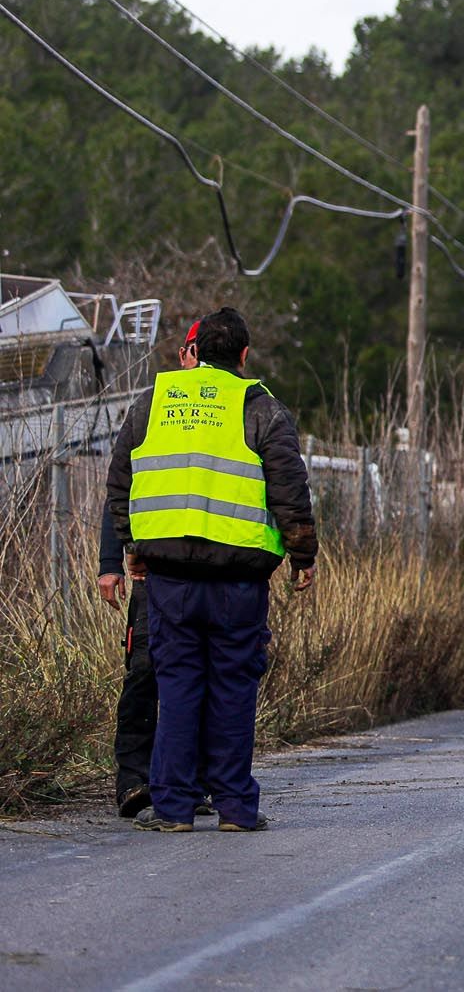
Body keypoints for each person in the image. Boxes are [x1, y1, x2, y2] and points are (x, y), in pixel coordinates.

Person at [103, 307, 317, 832]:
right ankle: (236, 809)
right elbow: (290, 491)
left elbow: (120, 481)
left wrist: (131, 549)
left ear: (194, 353)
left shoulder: (153, 402)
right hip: (238, 582)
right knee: (233, 692)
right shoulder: (261, 409)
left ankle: (173, 809)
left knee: (175, 690)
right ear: (244, 356)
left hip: (169, 581)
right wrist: (303, 555)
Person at [94, 323, 209, 818]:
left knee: (201, 677)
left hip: (208, 571)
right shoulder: (153, 407)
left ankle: (191, 782)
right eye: (194, 353)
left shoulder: (235, 412)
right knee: (144, 673)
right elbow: (121, 485)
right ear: (183, 354)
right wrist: (109, 564)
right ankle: (133, 781)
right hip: (151, 573)